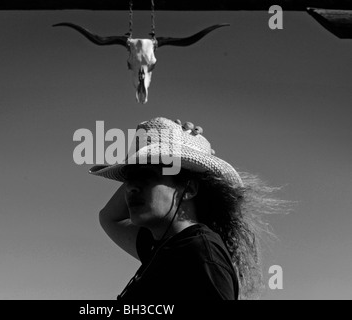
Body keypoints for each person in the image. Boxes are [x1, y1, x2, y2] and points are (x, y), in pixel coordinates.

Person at [90, 117, 286, 300]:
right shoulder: (162, 247)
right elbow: (109, 217)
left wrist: (175, 150)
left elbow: (109, 218)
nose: (131, 187)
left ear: (189, 188)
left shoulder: (199, 253)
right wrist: (166, 151)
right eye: (129, 179)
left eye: (147, 176)